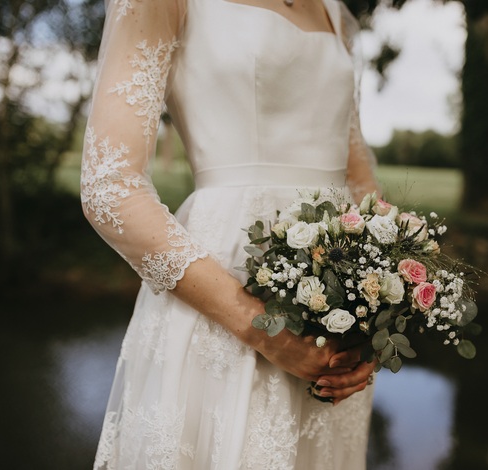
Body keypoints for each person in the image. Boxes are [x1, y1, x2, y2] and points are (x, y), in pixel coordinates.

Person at [81, 0, 381, 467]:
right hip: (225, 294)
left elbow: (361, 183)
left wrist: (376, 318)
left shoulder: (335, 13)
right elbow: (109, 186)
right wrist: (267, 333)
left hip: (339, 314)